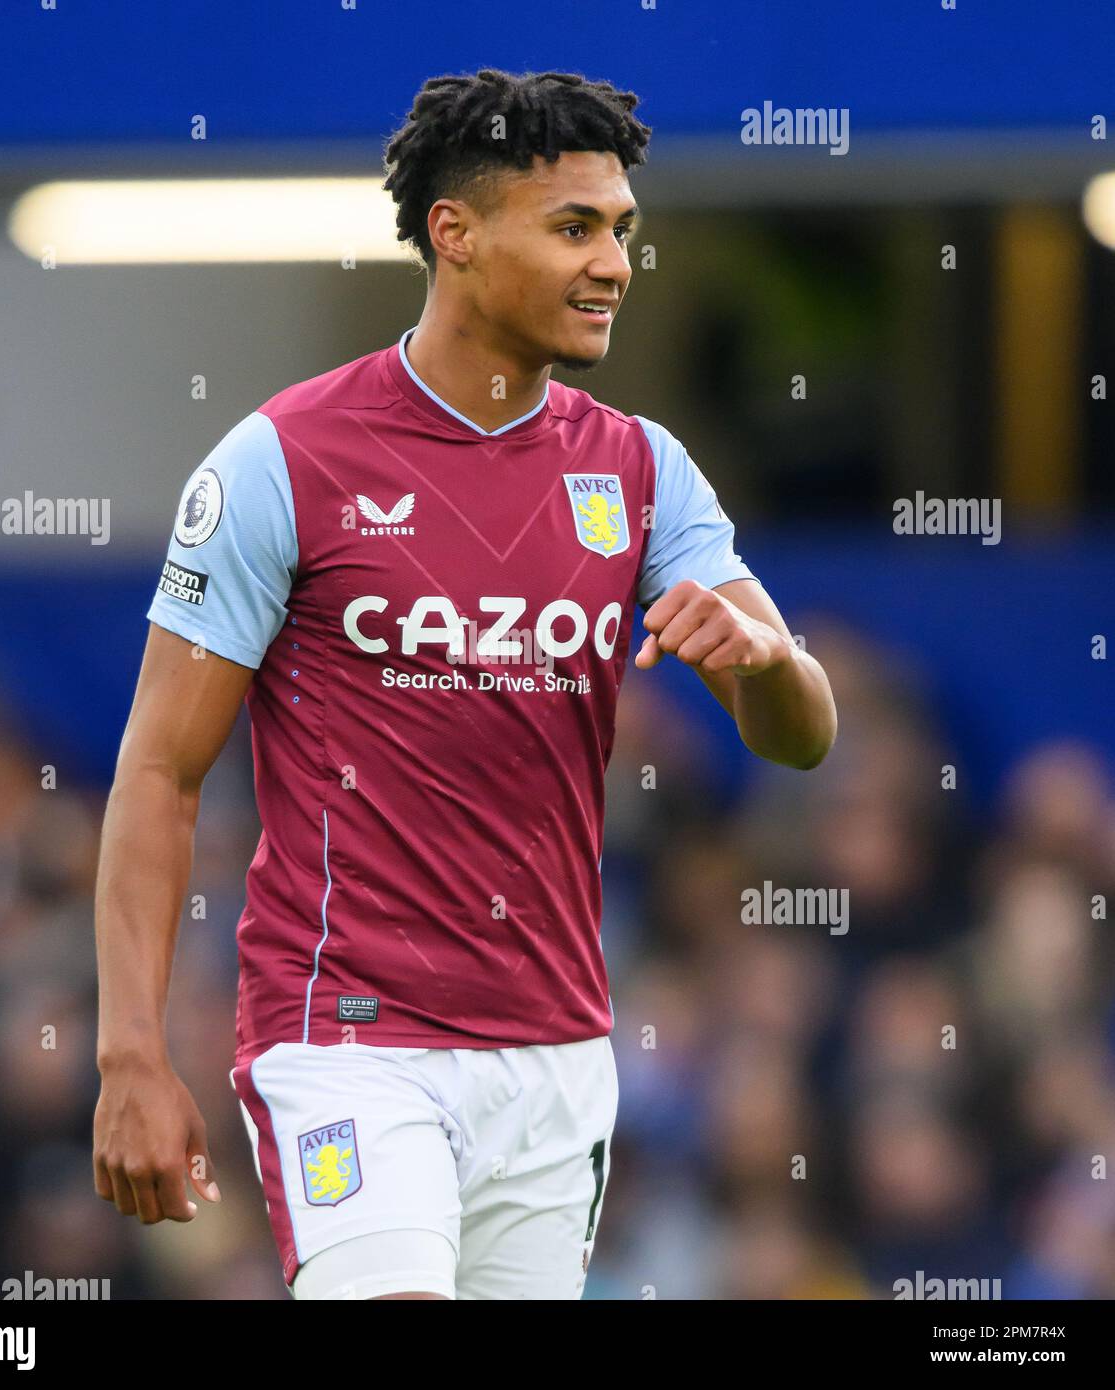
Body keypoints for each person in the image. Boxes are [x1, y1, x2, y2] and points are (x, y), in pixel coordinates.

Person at [92, 67, 837, 1301]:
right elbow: (159, 774)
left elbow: (801, 740)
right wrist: (129, 1054)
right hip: (348, 1040)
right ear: (456, 233)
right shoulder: (284, 460)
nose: (615, 264)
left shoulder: (643, 473)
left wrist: (769, 661)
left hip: (555, 1054)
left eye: (624, 232)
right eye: (575, 227)